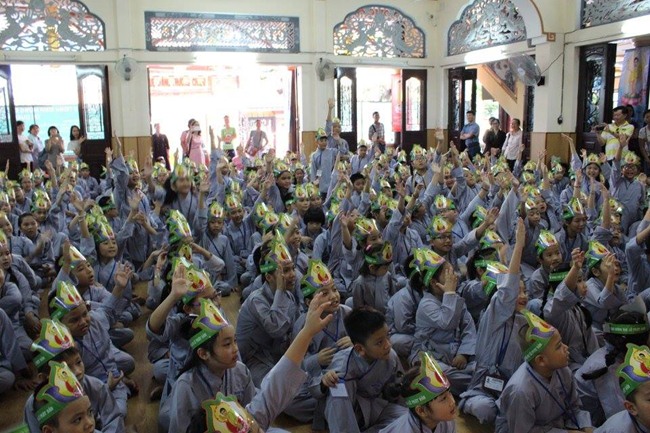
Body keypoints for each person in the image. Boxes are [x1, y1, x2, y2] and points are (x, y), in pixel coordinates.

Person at [495, 310, 593, 432]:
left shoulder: (563, 370)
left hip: (556, 426)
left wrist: (585, 426)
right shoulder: (521, 391)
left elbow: (574, 407)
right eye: (559, 346)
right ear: (541, 360)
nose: (566, 347)